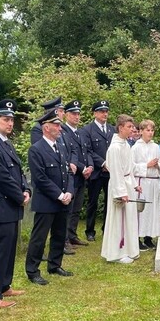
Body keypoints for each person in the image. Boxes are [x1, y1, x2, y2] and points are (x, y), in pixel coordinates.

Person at [0, 99, 30, 307]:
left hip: (13, 204)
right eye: (5, 119)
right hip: (3, 204)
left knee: (10, 247)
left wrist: (26, 189)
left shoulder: (5, 142)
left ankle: (4, 285)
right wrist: (20, 197)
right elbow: (1, 177)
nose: (10, 123)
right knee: (1, 249)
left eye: (11, 120)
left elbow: (17, 172)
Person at [25, 108, 75, 285]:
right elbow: (40, 179)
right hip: (47, 202)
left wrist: (69, 191)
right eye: (56, 125)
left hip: (63, 200)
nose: (60, 128)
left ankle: (55, 265)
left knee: (59, 235)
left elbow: (67, 171)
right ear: (46, 127)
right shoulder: (36, 150)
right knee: (39, 238)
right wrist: (60, 195)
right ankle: (32, 271)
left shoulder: (59, 146)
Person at [102, 115, 142, 263]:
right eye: (129, 127)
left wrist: (134, 184)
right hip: (119, 185)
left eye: (132, 127)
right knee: (119, 220)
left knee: (129, 218)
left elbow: (129, 168)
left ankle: (129, 249)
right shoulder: (114, 148)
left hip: (127, 183)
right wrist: (121, 193)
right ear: (120, 128)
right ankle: (117, 253)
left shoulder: (126, 144)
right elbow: (116, 172)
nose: (132, 129)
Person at [60, 100, 93, 249]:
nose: (77, 116)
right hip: (71, 175)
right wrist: (82, 168)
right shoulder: (63, 131)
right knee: (69, 208)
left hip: (81, 176)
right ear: (66, 115)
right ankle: (64, 238)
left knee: (77, 208)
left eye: (78, 114)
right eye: (73, 114)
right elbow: (68, 154)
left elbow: (86, 152)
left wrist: (90, 166)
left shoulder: (80, 133)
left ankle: (72, 235)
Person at [83, 100, 115, 241]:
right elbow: (88, 150)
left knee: (110, 201)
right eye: (101, 111)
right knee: (93, 202)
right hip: (96, 171)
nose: (105, 114)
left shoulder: (112, 129)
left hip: (110, 172)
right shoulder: (88, 130)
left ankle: (107, 229)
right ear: (95, 113)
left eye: (106, 111)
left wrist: (111, 163)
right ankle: (90, 230)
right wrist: (102, 163)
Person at [132, 119, 160, 250]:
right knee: (141, 211)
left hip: (154, 182)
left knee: (152, 210)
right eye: (148, 130)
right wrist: (146, 165)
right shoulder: (135, 147)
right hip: (142, 181)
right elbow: (131, 167)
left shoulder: (156, 147)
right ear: (141, 131)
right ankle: (137, 238)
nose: (150, 133)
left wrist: (158, 165)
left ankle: (149, 237)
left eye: (152, 130)